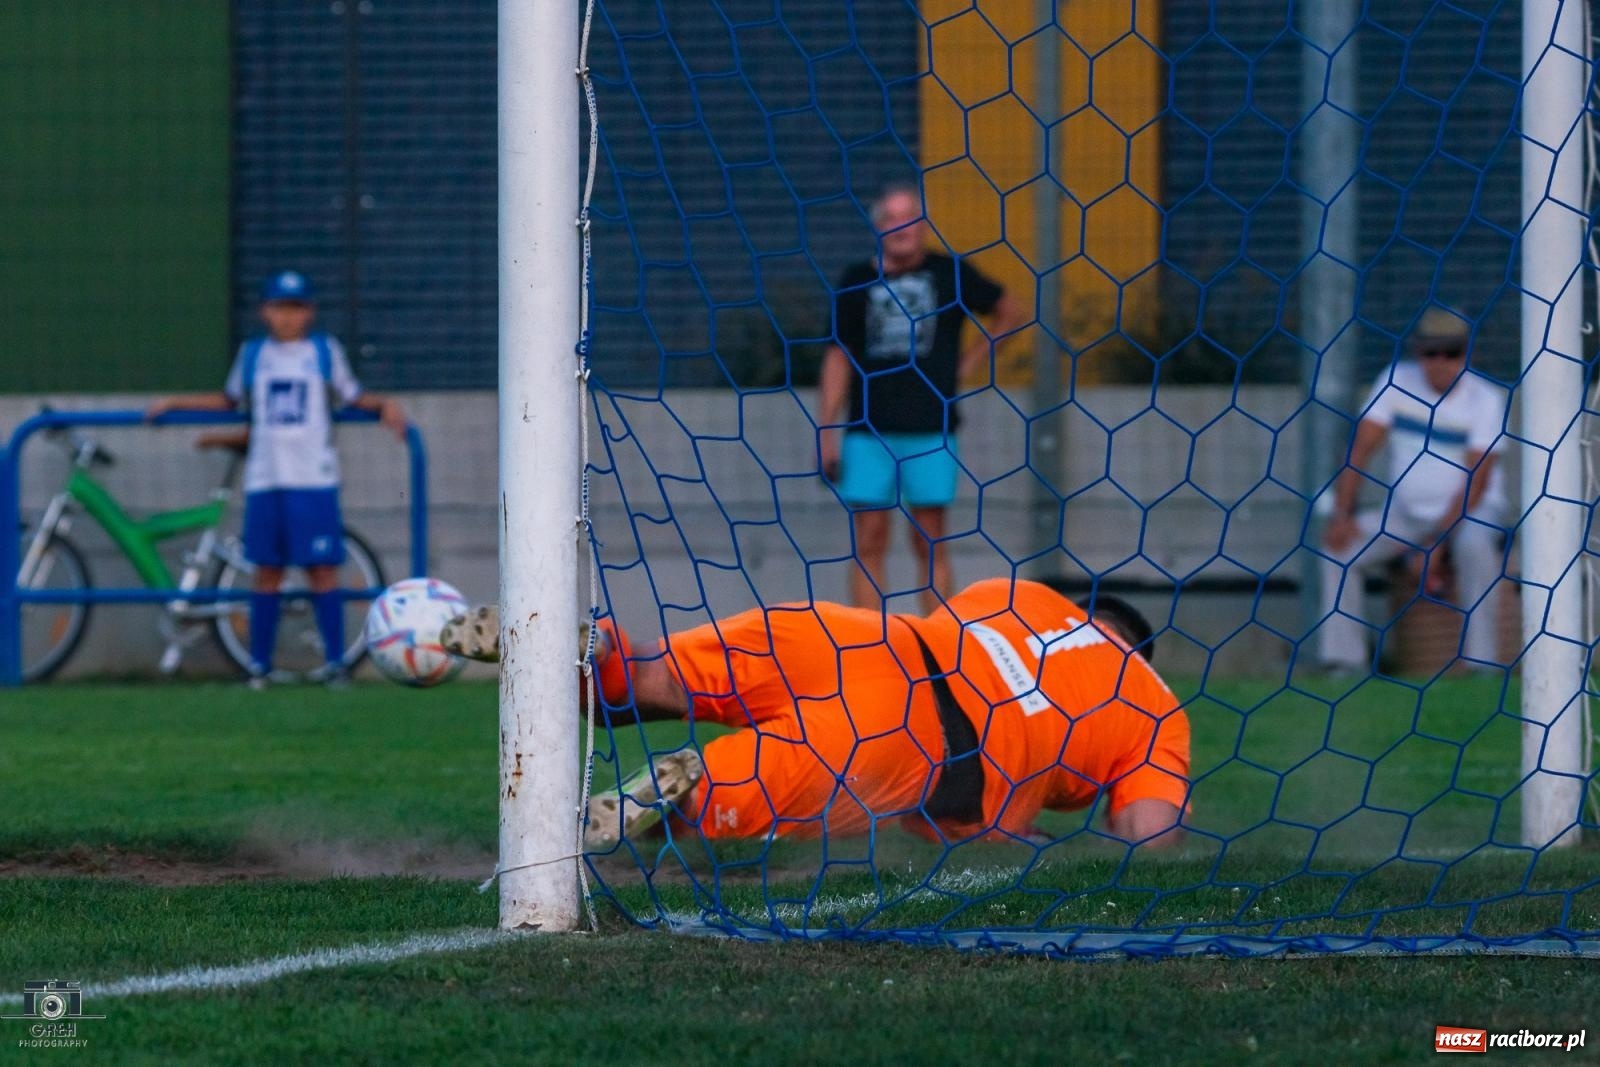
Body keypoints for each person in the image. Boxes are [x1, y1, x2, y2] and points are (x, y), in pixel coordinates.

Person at [442, 577, 1189, 850]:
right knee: (752, 780)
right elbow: (1146, 836)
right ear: (1139, 653)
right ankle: (698, 787)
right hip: (929, 736)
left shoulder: (1020, 593)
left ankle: (598, 653)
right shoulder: (1156, 707)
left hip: (853, 635)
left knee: (656, 671)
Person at [146, 269, 407, 687]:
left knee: (322, 569)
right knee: (266, 570)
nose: (288, 317)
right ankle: (259, 667)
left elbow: (354, 395)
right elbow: (229, 399)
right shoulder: (253, 356)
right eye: (280, 308)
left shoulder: (324, 352)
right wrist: (173, 401)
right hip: (266, 480)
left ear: (309, 312)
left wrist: (385, 404)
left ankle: (336, 664)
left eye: (296, 308)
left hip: (314, 479)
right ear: (265, 312)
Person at [818, 184, 1026, 613]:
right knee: (870, 538)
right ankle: (868, 645)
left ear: (924, 225)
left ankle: (937, 647)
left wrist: (968, 363)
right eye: (891, 218)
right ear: (877, 228)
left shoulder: (950, 273)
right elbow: (838, 355)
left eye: (909, 217)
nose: (901, 227)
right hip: (869, 429)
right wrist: (825, 428)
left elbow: (1012, 312)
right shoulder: (856, 281)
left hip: (931, 426)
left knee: (930, 537)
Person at [1318, 307, 1509, 673]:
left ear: (1467, 353)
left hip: (1473, 511)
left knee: (1474, 546)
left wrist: (1435, 544)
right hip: (1404, 514)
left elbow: (1477, 483)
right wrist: (1342, 515)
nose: (1440, 362)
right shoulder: (1395, 381)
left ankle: (1483, 665)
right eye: (1431, 352)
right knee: (1337, 550)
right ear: (1417, 351)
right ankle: (1345, 663)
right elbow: (1358, 452)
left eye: (1451, 352)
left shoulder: (1485, 399)